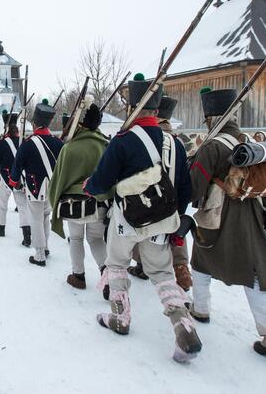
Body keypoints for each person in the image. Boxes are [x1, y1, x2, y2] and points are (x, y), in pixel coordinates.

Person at [83, 73, 200, 363]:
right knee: (162, 275)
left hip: (126, 221)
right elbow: (185, 189)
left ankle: (119, 318)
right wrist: (173, 220)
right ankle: (183, 326)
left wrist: (89, 186)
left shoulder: (122, 141)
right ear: (158, 110)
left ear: (131, 107)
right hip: (163, 221)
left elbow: (101, 183)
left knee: (117, 265)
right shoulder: (175, 144)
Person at [189, 87, 266, 357]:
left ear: (210, 118)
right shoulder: (248, 143)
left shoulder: (212, 146)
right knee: (255, 271)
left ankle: (200, 309)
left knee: (200, 260)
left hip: (219, 216)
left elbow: (195, 187)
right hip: (253, 215)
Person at [128, 95, 193, 291]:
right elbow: (185, 184)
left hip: (146, 204)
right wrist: (178, 210)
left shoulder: (139, 140)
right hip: (172, 202)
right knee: (174, 231)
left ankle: (143, 266)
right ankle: (180, 265)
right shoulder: (177, 144)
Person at [48, 100, 109, 290]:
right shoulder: (107, 146)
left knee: (75, 239)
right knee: (96, 239)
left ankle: (78, 276)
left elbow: (58, 181)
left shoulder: (69, 148)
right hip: (99, 202)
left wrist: (54, 200)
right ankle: (108, 276)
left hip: (74, 204)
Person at [9, 99, 63, 267]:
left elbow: (17, 166)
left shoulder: (27, 144)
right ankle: (45, 247)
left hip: (34, 187)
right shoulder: (58, 143)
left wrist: (13, 180)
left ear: (35, 123)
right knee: (45, 217)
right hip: (52, 187)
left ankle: (40, 254)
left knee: (36, 220)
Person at [0, 111, 30, 243]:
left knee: (2, 204)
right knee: (23, 207)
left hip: (6, 177)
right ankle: (27, 236)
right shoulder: (23, 141)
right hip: (20, 178)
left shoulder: (1, 143)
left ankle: (1, 229)